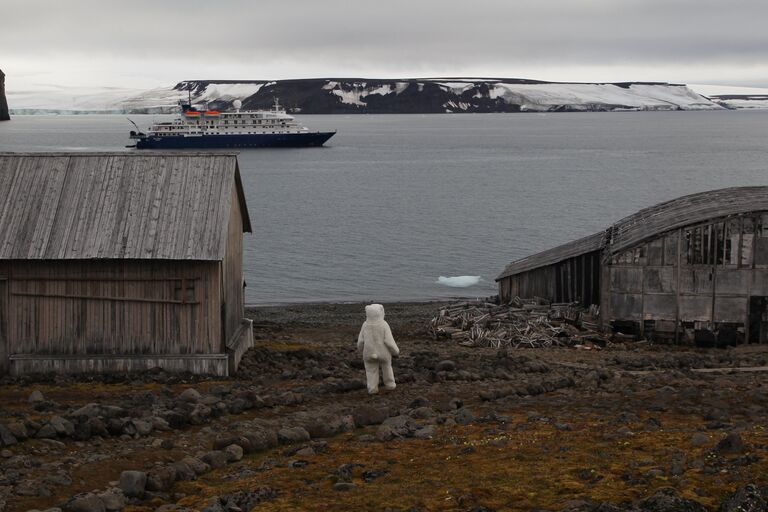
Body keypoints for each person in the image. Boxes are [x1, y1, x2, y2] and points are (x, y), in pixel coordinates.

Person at [357, 304, 399, 394]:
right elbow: (389, 341)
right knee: (387, 367)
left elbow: (360, 341)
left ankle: (372, 388)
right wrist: (396, 351)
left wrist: (360, 349)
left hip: (368, 353)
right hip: (383, 352)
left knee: (370, 370)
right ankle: (390, 385)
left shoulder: (365, 325)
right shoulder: (384, 325)